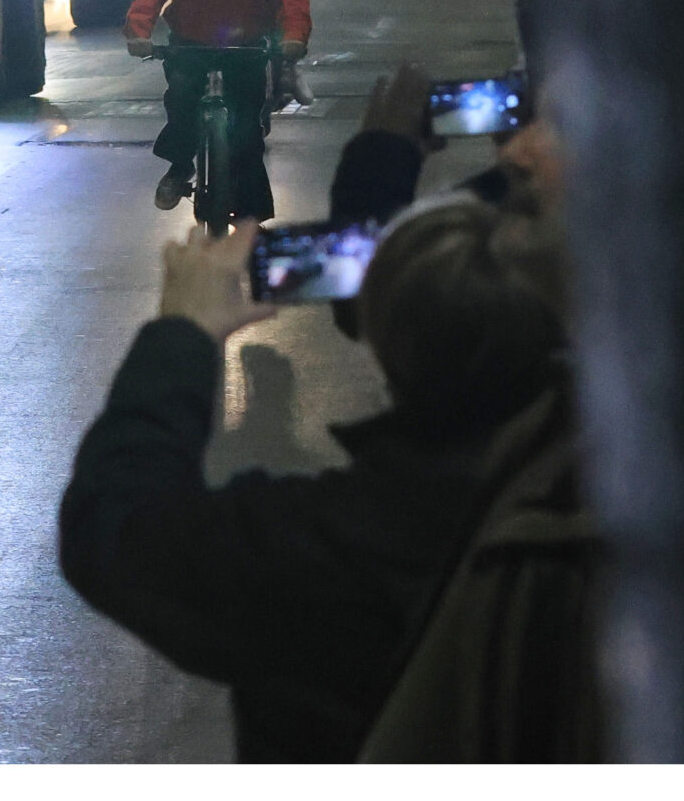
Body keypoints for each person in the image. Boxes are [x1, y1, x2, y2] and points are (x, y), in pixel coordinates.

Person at [57, 193, 572, 761]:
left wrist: (183, 332)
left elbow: (114, 524)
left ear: (383, 344)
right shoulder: (606, 503)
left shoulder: (324, 546)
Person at [126, 0, 312, 214]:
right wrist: (139, 32)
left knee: (248, 129)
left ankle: (249, 216)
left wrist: (294, 37)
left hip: (248, 43)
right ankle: (180, 167)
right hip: (191, 40)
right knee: (182, 100)